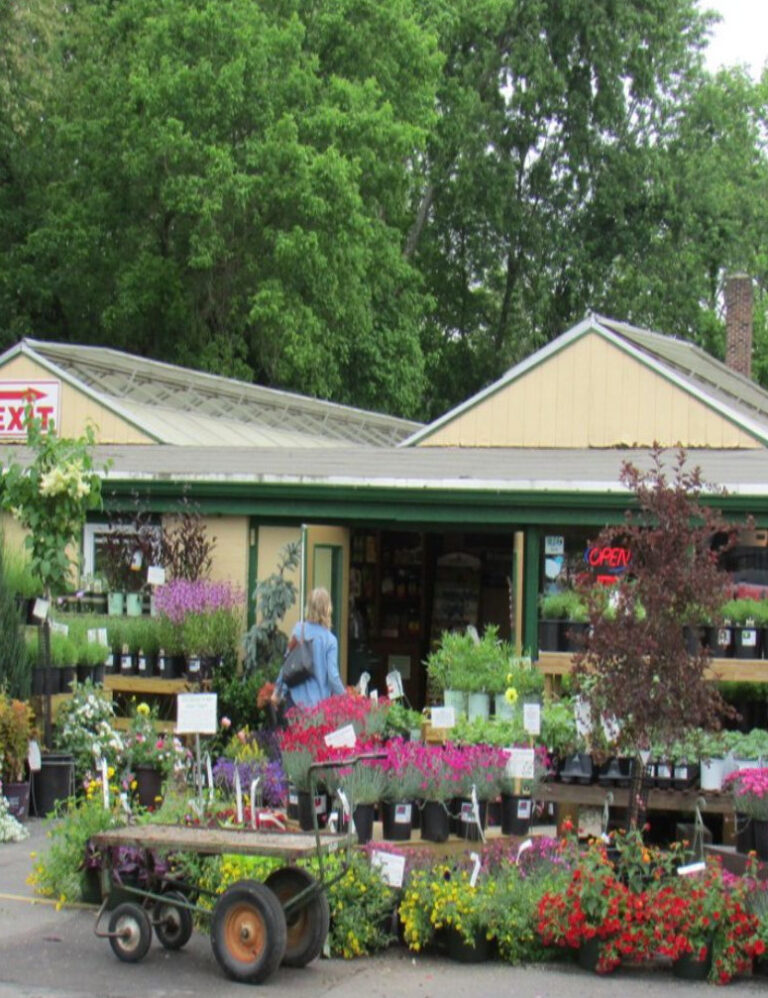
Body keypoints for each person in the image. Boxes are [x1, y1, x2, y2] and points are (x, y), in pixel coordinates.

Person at [272, 587, 345, 710]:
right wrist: (345, 698)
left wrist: (277, 691)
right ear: (327, 609)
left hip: (294, 703)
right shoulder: (330, 640)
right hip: (318, 707)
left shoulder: (299, 630)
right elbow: (333, 677)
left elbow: (287, 665)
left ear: (309, 607)